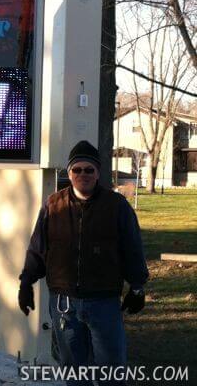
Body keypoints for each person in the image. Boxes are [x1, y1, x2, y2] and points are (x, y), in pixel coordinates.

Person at [18, 140, 149, 385]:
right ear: (69, 173)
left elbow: (132, 248)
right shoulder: (52, 205)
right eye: (77, 170)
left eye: (89, 170)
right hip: (64, 304)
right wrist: (26, 283)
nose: (83, 175)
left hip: (104, 302)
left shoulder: (116, 206)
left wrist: (138, 286)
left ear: (98, 172)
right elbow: (38, 248)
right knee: (74, 373)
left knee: (111, 372)